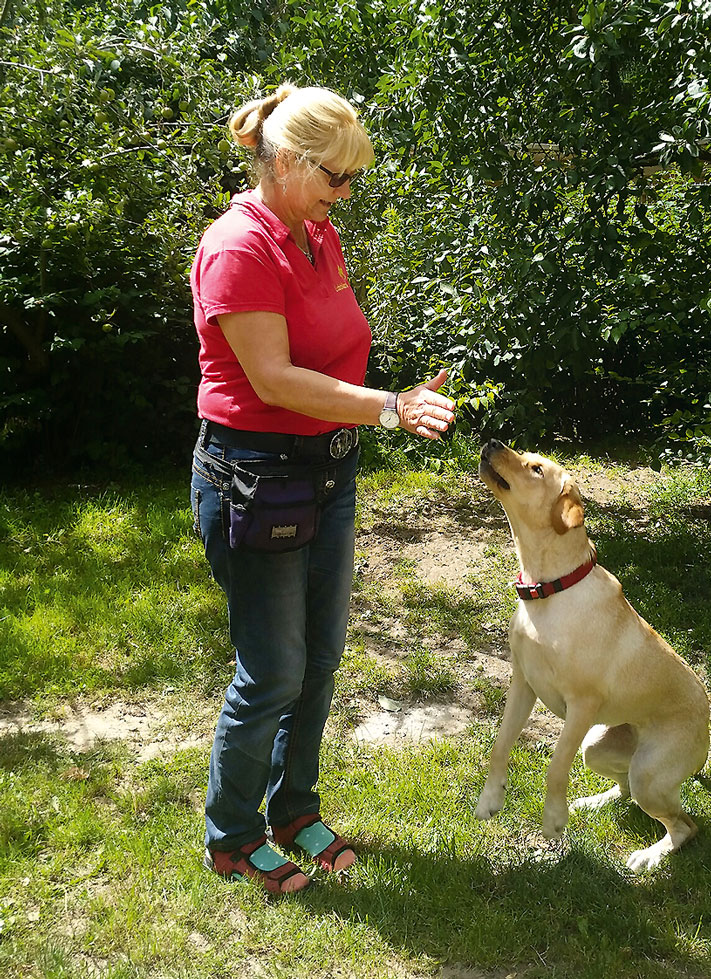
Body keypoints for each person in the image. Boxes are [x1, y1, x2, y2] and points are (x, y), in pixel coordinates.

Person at [190, 83, 455, 896]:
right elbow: (273, 380)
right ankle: (231, 835)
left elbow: (331, 351)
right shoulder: (239, 245)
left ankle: (293, 810)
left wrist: (382, 408)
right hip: (254, 479)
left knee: (322, 660)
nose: (347, 193)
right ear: (293, 164)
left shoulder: (317, 234)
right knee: (272, 670)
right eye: (338, 178)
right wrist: (388, 405)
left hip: (327, 474)